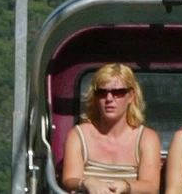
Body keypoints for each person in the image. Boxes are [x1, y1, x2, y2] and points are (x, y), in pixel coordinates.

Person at [61, 63, 162, 194]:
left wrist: (126, 186)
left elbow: (151, 187)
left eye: (118, 92)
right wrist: (87, 182)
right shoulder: (78, 135)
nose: (109, 99)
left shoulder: (147, 138)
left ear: (131, 96)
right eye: (102, 93)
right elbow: (69, 180)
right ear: (95, 98)